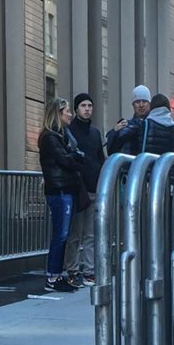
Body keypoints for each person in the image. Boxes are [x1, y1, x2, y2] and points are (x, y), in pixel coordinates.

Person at [38, 97, 84, 293]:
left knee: (63, 235)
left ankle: (56, 275)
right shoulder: (50, 137)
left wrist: (74, 157)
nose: (70, 114)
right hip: (59, 191)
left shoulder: (61, 136)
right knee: (60, 235)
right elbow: (66, 161)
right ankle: (53, 277)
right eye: (67, 111)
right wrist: (76, 156)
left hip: (64, 190)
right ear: (57, 113)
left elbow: (70, 158)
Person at [64, 92, 105, 288]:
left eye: (90, 105)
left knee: (90, 233)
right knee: (74, 233)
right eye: (83, 106)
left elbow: (100, 158)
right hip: (77, 189)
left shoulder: (95, 133)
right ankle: (72, 270)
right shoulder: (69, 131)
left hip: (93, 187)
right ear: (76, 109)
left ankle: (89, 271)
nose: (87, 109)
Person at [106, 85, 153, 154]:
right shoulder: (125, 126)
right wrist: (114, 132)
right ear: (133, 105)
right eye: (137, 102)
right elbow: (111, 150)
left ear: (149, 104)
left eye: (144, 101)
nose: (141, 105)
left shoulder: (154, 126)